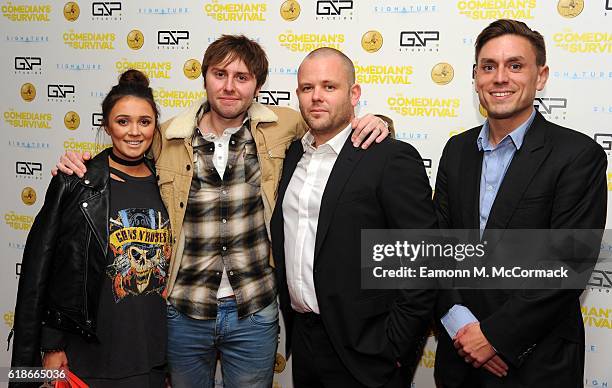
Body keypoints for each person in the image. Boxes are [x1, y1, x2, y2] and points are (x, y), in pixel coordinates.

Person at [54, 35, 390, 387]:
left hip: (254, 311)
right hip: (184, 311)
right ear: (205, 78)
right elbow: (124, 152)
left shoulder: (284, 126)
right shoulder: (167, 137)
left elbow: (333, 124)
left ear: (257, 86)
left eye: (242, 77)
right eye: (220, 74)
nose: (229, 87)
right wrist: (80, 165)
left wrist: (379, 122)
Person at [433, 19, 607, 387]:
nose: (500, 78)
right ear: (475, 76)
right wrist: (462, 325)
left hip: (537, 364)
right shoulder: (456, 150)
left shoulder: (578, 155)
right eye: (489, 66)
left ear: (540, 76)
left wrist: (494, 337)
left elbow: (568, 265)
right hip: (458, 356)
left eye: (515, 65)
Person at [270, 47, 436, 388]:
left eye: (330, 87)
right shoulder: (291, 155)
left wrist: (394, 344)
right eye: (306, 88)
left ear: (354, 93)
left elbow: (422, 258)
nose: (316, 97)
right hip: (304, 339)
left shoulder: (389, 157)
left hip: (368, 349)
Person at [11, 69, 171, 387]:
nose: (134, 132)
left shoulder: (167, 183)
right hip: (90, 354)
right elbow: (45, 269)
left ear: (155, 125)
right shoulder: (77, 182)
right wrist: (52, 343)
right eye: (123, 121)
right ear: (106, 125)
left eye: (145, 121)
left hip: (152, 352)